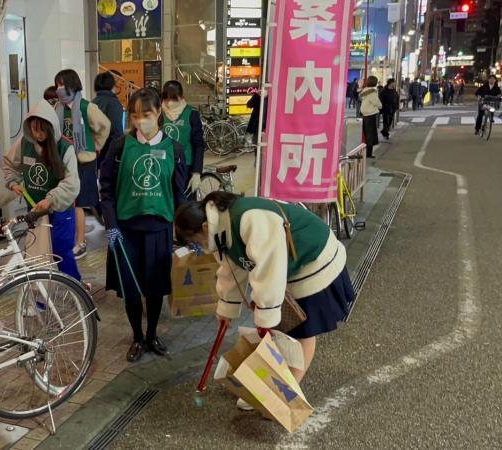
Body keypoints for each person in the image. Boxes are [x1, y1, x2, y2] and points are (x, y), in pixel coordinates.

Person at [173, 192, 354, 396]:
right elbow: (232, 268)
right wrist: (226, 308)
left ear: (204, 228)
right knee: (285, 332)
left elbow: (269, 269)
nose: (200, 248)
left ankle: (285, 395)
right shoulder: (219, 228)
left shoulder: (249, 219)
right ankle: (273, 388)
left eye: (196, 242)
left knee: (303, 332)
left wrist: (265, 314)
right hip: (291, 266)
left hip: (315, 259)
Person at [100, 87, 188, 362]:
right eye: (135, 115)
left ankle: (152, 335)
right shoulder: (120, 146)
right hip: (126, 231)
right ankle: (137, 337)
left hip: (159, 230)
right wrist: (111, 225)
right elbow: (106, 188)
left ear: (158, 112)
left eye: (146, 114)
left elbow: (179, 194)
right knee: (131, 288)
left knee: (156, 287)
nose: (140, 121)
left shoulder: (173, 149)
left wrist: (185, 232)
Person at [2, 99, 82, 280]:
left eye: (41, 129)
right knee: (37, 256)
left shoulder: (65, 147)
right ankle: (41, 299)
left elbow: (72, 183)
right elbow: (8, 164)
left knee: (61, 252)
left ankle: (76, 291)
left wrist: (51, 199)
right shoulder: (24, 143)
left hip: (60, 210)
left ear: (51, 127)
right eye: (33, 129)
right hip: (36, 210)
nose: (37, 134)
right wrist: (13, 182)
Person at [54, 69, 111, 259]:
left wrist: (96, 146)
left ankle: (80, 243)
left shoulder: (87, 107)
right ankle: (69, 240)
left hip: (84, 162)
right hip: (64, 161)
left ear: (72, 85)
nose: (59, 89)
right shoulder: (58, 108)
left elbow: (105, 126)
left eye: (62, 85)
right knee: (67, 203)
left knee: (78, 203)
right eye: (57, 85)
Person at [161, 80, 204, 199]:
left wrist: (196, 173)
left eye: (174, 99)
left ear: (181, 97)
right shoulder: (159, 113)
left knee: (186, 207)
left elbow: (199, 145)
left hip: (185, 167)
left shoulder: (191, 114)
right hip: (163, 167)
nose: (169, 103)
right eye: (166, 98)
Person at [93, 71, 125, 162]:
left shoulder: (93, 101)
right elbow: (116, 130)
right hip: (108, 150)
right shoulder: (113, 102)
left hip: (94, 148)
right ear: (112, 84)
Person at [359, 76, 381, 158]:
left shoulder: (365, 90)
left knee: (366, 134)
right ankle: (369, 153)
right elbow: (377, 102)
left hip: (364, 115)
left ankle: (366, 152)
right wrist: (380, 106)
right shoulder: (372, 92)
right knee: (370, 135)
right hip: (370, 114)